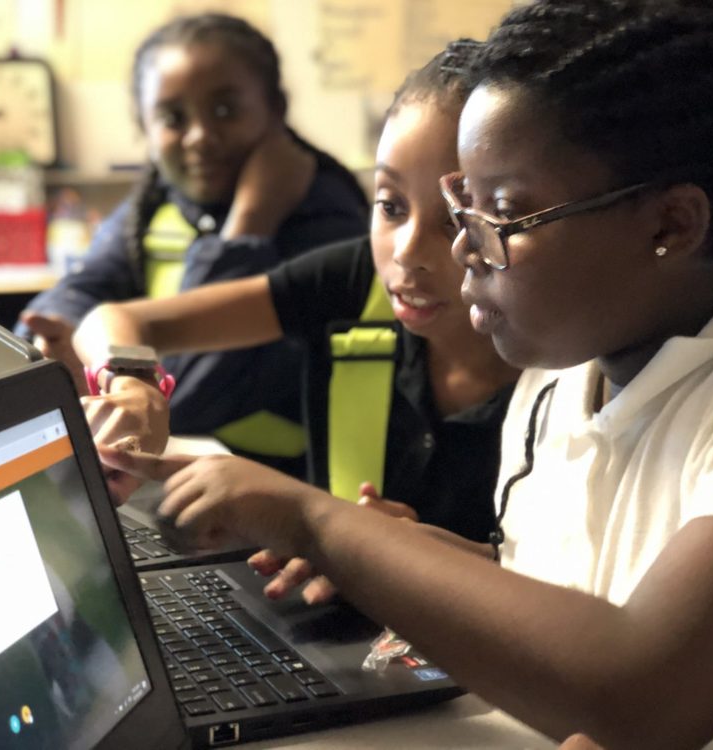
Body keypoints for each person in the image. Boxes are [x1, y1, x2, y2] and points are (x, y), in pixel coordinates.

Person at [100, 2, 713, 748]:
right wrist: (384, 555)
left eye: (498, 214)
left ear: (671, 226)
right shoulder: (567, 368)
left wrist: (316, 520)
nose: (458, 251)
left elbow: (641, 696)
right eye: (464, 205)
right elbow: (568, 584)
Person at [74, 42, 519, 551]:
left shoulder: (562, 360)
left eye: (454, 218)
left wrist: (395, 551)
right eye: (390, 205)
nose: (408, 252)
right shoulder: (354, 280)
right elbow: (113, 319)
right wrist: (133, 383)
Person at [17, 12, 368, 480]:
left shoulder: (326, 219)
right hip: (175, 466)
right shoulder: (156, 205)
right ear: (143, 126)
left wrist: (248, 224)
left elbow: (187, 397)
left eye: (225, 111)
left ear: (276, 108)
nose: (200, 136)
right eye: (173, 118)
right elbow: (80, 292)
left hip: (281, 483)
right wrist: (62, 340)